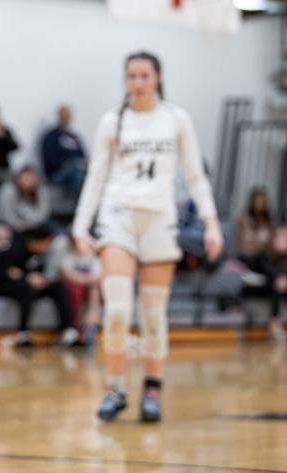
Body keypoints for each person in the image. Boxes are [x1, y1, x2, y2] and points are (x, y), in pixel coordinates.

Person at [72, 51, 222, 423]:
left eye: (144, 76)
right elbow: (95, 177)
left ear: (157, 78)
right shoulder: (112, 122)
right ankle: (116, 388)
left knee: (153, 315)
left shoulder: (176, 119)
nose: (137, 83)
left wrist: (211, 222)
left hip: (159, 219)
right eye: (131, 76)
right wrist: (80, 224)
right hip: (118, 217)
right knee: (119, 311)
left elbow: (195, 176)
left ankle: (152, 389)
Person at [0, 224, 80, 347]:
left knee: (58, 287)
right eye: (46, 243)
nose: (47, 247)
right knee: (27, 288)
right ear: (38, 240)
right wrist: (26, 277)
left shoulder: (39, 255)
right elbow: (0, 274)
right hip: (2, 286)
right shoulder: (14, 246)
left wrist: (32, 277)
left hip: (27, 285)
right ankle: (23, 334)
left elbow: (30, 272)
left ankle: (69, 332)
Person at [40, 104, 87, 195]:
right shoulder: (50, 137)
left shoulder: (74, 137)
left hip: (77, 169)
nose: (66, 118)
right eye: (64, 116)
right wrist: (69, 164)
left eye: (68, 116)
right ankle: (84, 206)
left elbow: (83, 156)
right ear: (58, 116)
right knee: (76, 174)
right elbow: (49, 160)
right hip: (57, 173)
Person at [0, 164, 53, 234]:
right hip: (8, 225)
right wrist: (24, 224)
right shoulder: (8, 191)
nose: (28, 180)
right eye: (25, 177)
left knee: (51, 227)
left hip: (33, 224)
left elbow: (44, 214)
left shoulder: (41, 190)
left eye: (30, 177)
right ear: (18, 178)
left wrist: (30, 223)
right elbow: (8, 218)